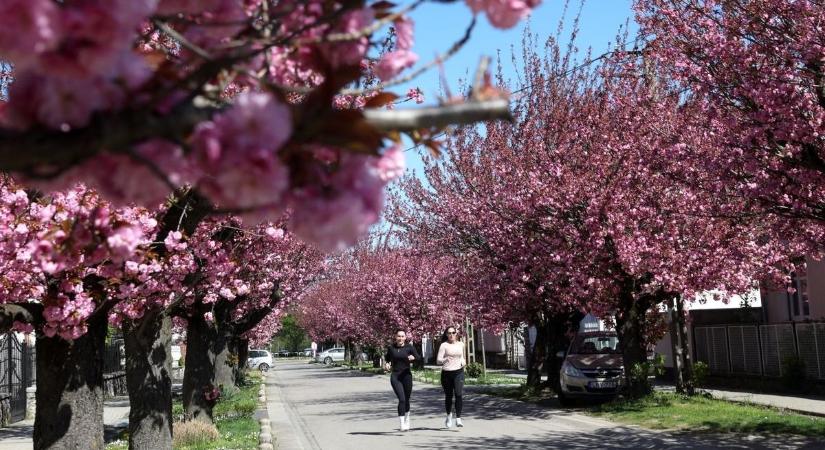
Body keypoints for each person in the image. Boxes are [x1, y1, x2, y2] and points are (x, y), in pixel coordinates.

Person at [384, 329, 421, 431]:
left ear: (405, 337)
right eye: (398, 336)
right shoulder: (391, 348)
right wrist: (387, 364)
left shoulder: (409, 347)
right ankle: (401, 424)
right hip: (395, 376)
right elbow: (387, 358)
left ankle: (407, 419)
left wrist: (413, 358)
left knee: (407, 399)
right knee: (402, 399)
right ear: (395, 337)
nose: (400, 338)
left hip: (406, 376)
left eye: (402, 336)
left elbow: (418, 358)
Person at [437, 325, 466, 428]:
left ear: (456, 334)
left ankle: (458, 418)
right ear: (446, 334)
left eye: (453, 333)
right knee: (449, 396)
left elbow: (462, 356)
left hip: (458, 372)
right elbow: (438, 360)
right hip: (447, 373)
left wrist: (463, 361)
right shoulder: (443, 345)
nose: (451, 335)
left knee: (458, 394)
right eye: (449, 333)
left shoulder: (461, 344)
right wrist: (445, 360)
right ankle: (449, 416)